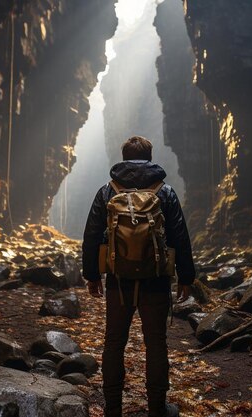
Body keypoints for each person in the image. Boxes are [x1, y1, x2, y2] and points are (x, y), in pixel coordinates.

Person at [82, 136, 195, 417]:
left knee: (114, 342)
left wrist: (92, 275)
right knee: (155, 342)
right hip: (155, 279)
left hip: (118, 280)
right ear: (150, 157)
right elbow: (180, 237)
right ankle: (156, 408)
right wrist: (186, 276)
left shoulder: (107, 191)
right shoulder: (164, 192)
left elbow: (92, 236)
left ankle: (113, 410)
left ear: (123, 157)